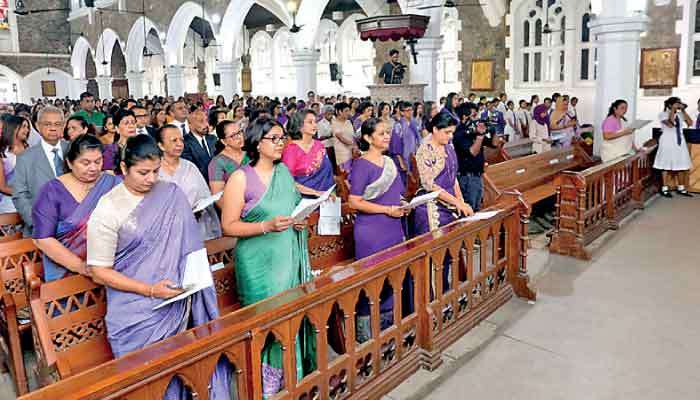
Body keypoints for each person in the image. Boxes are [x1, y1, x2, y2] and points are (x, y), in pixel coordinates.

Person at [86, 135, 230, 399]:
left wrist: (191, 282)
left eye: (155, 171)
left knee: (184, 377)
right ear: (123, 169)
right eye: (142, 173)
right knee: (149, 387)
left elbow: (189, 245)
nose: (151, 179)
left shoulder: (170, 194)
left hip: (176, 301)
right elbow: (99, 271)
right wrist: (150, 290)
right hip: (135, 313)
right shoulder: (108, 208)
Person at [220, 117, 316, 397]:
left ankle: (293, 379)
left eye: (282, 137)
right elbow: (229, 225)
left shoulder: (284, 172)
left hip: (287, 256)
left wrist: (300, 221)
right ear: (257, 143)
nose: (280, 143)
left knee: (291, 318)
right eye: (273, 138)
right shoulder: (240, 177)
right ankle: (267, 387)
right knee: (269, 326)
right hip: (259, 264)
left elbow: (294, 207)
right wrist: (266, 226)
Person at [348, 118, 407, 342]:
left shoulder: (389, 163)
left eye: (388, 132)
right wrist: (386, 209)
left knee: (393, 277)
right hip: (372, 231)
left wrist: (401, 205)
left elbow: (395, 195)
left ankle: (388, 332)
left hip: (392, 226)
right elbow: (354, 201)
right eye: (381, 133)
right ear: (367, 138)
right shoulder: (362, 164)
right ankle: (366, 336)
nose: (386, 136)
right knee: (372, 281)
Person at [32, 135, 121, 281]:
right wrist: (82, 267)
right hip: (69, 272)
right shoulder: (51, 191)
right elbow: (43, 239)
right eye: (85, 163)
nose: (93, 168)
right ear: (70, 162)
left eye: (98, 162)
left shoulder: (112, 183)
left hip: (113, 267)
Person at [413, 112, 474, 237]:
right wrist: (457, 203)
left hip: (450, 202)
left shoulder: (448, 147)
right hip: (432, 207)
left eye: (452, 132)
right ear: (435, 129)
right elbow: (430, 185)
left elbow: (453, 178)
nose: (450, 136)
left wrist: (460, 200)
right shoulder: (425, 151)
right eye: (447, 132)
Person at [156, 125, 222, 240]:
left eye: (181, 140)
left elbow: (205, 197)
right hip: (167, 235)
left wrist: (199, 208)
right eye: (174, 140)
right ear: (161, 145)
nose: (180, 144)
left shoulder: (190, 167)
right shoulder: (153, 170)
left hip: (196, 230)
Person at [12, 106, 69, 235]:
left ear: (64, 125)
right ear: (37, 126)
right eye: (47, 124)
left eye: (57, 124)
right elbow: (19, 194)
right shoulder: (25, 157)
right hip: (40, 229)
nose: (53, 128)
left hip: (74, 227)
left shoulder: (73, 151)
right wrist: (36, 221)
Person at [453, 104, 500, 211]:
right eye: (474, 116)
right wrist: (480, 136)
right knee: (470, 209)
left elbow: (494, 144)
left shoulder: (475, 131)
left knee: (477, 207)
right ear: (465, 117)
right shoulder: (460, 133)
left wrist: (494, 129)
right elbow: (472, 152)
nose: (477, 119)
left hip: (477, 176)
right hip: (467, 178)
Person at [282, 110, 335, 195]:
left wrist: (327, 193)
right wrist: (314, 192)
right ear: (299, 125)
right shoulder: (291, 150)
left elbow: (328, 173)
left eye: (315, 121)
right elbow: (287, 181)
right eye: (310, 122)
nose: (315, 125)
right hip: (304, 198)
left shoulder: (319, 145)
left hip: (326, 194)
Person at [654, 97, 693, 197]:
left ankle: (681, 187)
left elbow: (690, 123)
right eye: (676, 103)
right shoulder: (663, 114)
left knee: (681, 164)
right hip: (667, 142)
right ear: (670, 105)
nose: (678, 105)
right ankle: (665, 188)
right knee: (665, 164)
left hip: (679, 142)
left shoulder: (680, 114)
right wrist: (672, 111)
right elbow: (671, 124)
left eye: (679, 103)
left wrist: (683, 110)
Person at [208, 120, 249, 197]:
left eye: (240, 132)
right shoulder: (216, 163)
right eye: (233, 135)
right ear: (223, 141)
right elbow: (218, 197)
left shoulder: (251, 154)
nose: (239, 137)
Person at [0, 115, 29, 213]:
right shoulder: (3, 154)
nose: (27, 130)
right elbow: (2, 187)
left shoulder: (30, 150)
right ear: (14, 128)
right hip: (9, 202)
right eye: (23, 126)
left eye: (28, 127)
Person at [389, 101, 421, 184]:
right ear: (402, 112)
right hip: (402, 159)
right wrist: (401, 162)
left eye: (411, 110)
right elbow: (395, 146)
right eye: (407, 110)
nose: (410, 112)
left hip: (413, 157)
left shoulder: (413, 123)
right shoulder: (398, 126)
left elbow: (418, 140)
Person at [182, 109, 218, 181]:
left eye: (206, 121)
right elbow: (190, 170)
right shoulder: (184, 143)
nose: (206, 124)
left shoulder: (213, 139)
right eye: (201, 121)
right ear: (190, 125)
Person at [332, 102, 357, 167]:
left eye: (349, 111)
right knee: (344, 174)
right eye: (346, 111)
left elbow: (353, 136)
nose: (348, 113)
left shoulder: (348, 122)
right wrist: (353, 145)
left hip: (352, 153)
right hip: (342, 156)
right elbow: (341, 138)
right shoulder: (334, 122)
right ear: (340, 111)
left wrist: (355, 147)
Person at [316, 105, 336, 169]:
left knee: (336, 165)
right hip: (327, 146)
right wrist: (329, 135)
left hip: (336, 145)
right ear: (324, 114)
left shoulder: (335, 120)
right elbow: (320, 137)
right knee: (329, 165)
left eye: (331, 112)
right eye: (328, 113)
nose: (330, 114)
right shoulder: (320, 123)